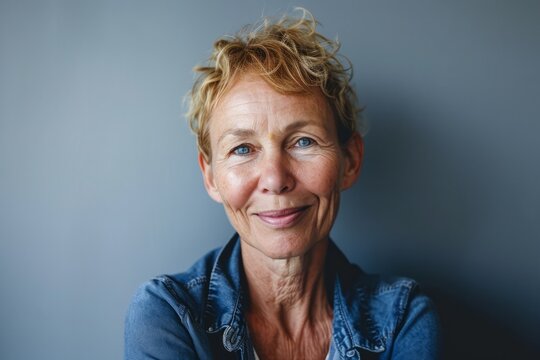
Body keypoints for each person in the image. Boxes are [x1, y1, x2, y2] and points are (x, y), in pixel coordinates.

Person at [125, 8, 440, 360]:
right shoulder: (170, 314)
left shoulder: (402, 318)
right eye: (242, 149)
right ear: (211, 176)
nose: (275, 179)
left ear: (349, 161)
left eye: (303, 141)